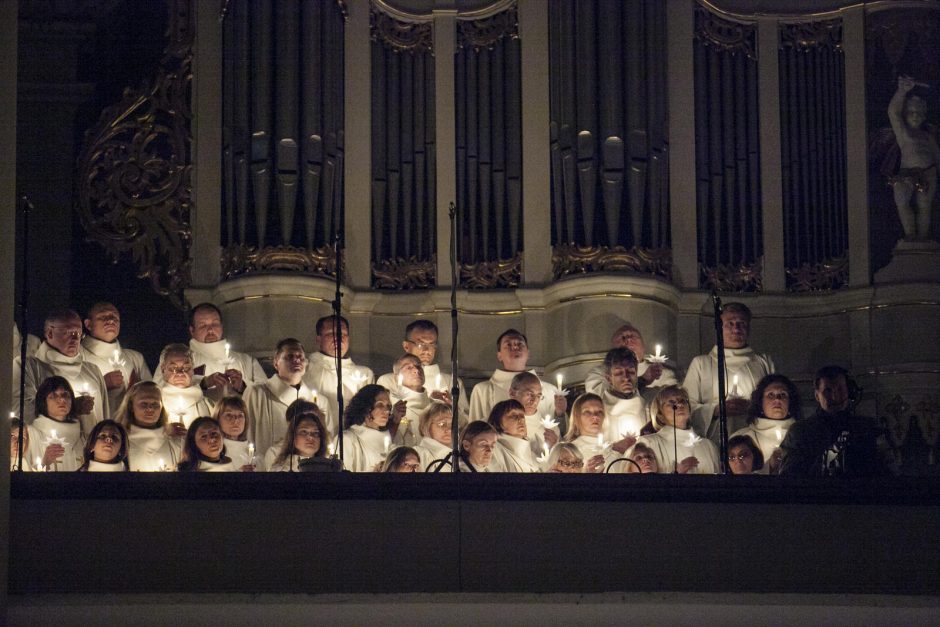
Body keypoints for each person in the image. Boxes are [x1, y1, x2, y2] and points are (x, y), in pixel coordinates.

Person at [683, 302, 775, 444]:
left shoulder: (763, 362)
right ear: (719, 327)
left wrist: (752, 406)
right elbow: (686, 407)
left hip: (756, 439)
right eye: (730, 323)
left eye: (741, 323)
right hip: (715, 440)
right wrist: (716, 410)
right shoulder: (701, 363)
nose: (736, 328)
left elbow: (776, 400)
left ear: (748, 328)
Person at [779, 366, 888, 477]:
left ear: (848, 391)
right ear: (817, 396)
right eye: (828, 391)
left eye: (840, 389)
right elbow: (789, 478)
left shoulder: (867, 428)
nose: (835, 396)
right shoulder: (799, 433)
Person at [14, 309, 108, 430]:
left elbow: (105, 420)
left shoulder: (93, 371)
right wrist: (71, 408)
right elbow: (21, 411)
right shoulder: (26, 366)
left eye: (78, 333)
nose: (75, 339)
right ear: (49, 333)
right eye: (68, 332)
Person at [154, 303, 266, 402]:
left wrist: (242, 386)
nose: (210, 330)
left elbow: (265, 395)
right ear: (192, 330)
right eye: (203, 325)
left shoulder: (246, 360)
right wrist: (204, 383)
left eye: (215, 324)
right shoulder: (175, 358)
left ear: (222, 327)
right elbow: (157, 392)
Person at [468, 329, 566, 430]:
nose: (515, 347)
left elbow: (560, 433)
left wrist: (560, 415)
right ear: (499, 355)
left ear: (528, 353)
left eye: (520, 344)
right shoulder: (482, 390)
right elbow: (474, 432)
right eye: (509, 345)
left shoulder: (550, 391)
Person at [376, 319, 470, 424]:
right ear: (406, 346)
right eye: (421, 344)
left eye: (431, 345)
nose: (426, 350)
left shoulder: (451, 382)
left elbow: (465, 422)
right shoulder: (388, 381)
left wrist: (450, 406)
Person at [244, 338, 315, 465]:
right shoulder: (257, 393)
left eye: (300, 357)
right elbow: (247, 436)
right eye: (290, 356)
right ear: (276, 362)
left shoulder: (317, 400)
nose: (296, 360)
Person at [302, 315, 375, 438]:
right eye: (331, 334)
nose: (339, 339)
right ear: (318, 339)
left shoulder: (365, 374)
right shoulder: (305, 370)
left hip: (353, 440)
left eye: (344, 334)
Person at [887, 75, 939, 241]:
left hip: (928, 172)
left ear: (924, 115)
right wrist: (901, 92)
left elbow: (937, 155)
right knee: (902, 202)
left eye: (918, 113)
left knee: (925, 206)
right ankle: (910, 235)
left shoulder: (928, 136)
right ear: (905, 115)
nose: (915, 116)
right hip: (906, 173)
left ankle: (922, 238)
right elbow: (893, 113)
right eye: (911, 112)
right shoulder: (904, 132)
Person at [81, 302, 152, 418]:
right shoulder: (79, 356)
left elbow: (151, 395)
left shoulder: (135, 358)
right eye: (103, 317)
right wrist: (102, 384)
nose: (110, 321)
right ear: (88, 324)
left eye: (114, 317)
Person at [630, 385, 720, 474]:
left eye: (683, 401)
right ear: (660, 415)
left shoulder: (709, 446)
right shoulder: (649, 443)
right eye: (672, 402)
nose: (680, 404)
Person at [584, 322, 678, 401]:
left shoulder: (664, 375)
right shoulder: (598, 374)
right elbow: (600, 399)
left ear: (643, 346)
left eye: (633, 336)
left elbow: (673, 400)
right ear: (613, 348)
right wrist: (643, 380)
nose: (628, 340)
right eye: (623, 337)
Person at [731, 374, 801, 475]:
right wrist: (770, 467)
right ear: (760, 402)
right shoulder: (744, 437)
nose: (777, 399)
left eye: (783, 395)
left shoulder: (802, 436)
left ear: (790, 402)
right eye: (771, 395)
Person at [116, 381, 184, 471]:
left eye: (155, 404)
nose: (150, 409)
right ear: (131, 406)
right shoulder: (119, 441)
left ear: (162, 406)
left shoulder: (176, 440)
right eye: (144, 403)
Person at [25, 376, 86, 471]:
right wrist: (44, 463)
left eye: (65, 395)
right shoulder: (31, 434)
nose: (62, 400)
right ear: (43, 401)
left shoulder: (82, 436)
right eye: (53, 396)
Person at [595, 348, 650, 443]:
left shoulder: (647, 407)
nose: (626, 378)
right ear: (609, 378)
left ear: (637, 375)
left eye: (631, 372)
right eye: (619, 373)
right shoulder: (599, 410)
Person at [341, 384, 399, 472]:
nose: (387, 410)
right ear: (365, 407)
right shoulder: (348, 439)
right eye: (380, 405)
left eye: (388, 406)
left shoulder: (388, 439)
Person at [563, 393, 624, 473]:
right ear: (577, 417)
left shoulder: (613, 449)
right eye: (587, 412)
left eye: (599, 412)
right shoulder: (569, 451)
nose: (595, 416)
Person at [507, 372, 560, 462]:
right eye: (529, 394)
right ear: (512, 393)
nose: (534, 401)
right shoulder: (499, 423)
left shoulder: (551, 428)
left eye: (538, 396)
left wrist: (553, 449)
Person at [158, 343, 212, 428]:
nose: (180, 373)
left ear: (193, 369)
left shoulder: (208, 402)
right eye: (173, 368)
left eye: (186, 367)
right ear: (163, 369)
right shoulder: (157, 401)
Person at [385, 353, 431, 447]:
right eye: (409, 367)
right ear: (397, 377)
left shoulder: (434, 406)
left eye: (419, 366)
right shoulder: (389, 405)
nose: (416, 370)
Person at [268, 402, 331, 472]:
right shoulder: (280, 470)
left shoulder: (328, 469)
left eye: (316, 433)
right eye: (304, 432)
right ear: (292, 436)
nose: (311, 437)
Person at [487, 399, 542, 472]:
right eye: (513, 415)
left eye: (522, 415)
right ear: (498, 422)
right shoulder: (493, 452)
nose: (522, 419)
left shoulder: (531, 452)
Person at [212, 396, 255, 471]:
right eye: (229, 415)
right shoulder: (213, 452)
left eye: (240, 415)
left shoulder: (253, 452)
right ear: (217, 419)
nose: (235, 420)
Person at [414, 403, 456, 472]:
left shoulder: (459, 455)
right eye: (442, 424)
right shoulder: (419, 453)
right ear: (426, 425)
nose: (449, 429)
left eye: (452, 425)